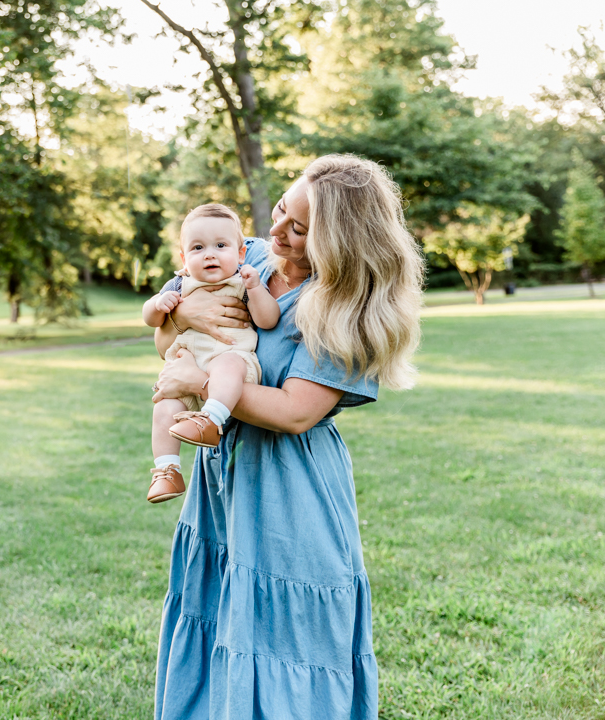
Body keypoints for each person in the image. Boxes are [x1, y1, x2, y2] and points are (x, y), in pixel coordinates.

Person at [150, 154, 424, 719]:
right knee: (215, 618)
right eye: (280, 209)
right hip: (222, 482)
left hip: (289, 490)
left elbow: (296, 412)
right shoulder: (246, 255)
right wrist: (182, 319)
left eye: (299, 229)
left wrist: (196, 381)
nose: (275, 231)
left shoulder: (345, 309)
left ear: (337, 245)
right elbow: (175, 314)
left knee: (286, 643)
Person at [141, 204, 281, 504]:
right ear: (183, 258)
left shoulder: (243, 283)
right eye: (198, 247)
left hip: (231, 360)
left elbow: (268, 319)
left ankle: (211, 420)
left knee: (227, 365)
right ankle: (166, 471)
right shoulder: (178, 284)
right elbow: (151, 319)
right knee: (164, 409)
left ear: (240, 254)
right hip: (184, 367)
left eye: (220, 246)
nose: (209, 255)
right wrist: (158, 305)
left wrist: (257, 289)